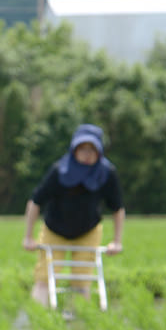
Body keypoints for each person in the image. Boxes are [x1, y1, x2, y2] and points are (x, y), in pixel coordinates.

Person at [21, 123, 125, 306]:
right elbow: (35, 202)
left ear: (99, 152)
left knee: (81, 281)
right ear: (74, 149)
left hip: (88, 231)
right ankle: (36, 322)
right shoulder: (59, 170)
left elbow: (117, 208)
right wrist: (28, 237)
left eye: (92, 150)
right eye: (83, 149)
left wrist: (117, 241)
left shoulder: (106, 173)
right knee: (44, 279)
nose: (87, 154)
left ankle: (78, 326)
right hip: (55, 230)